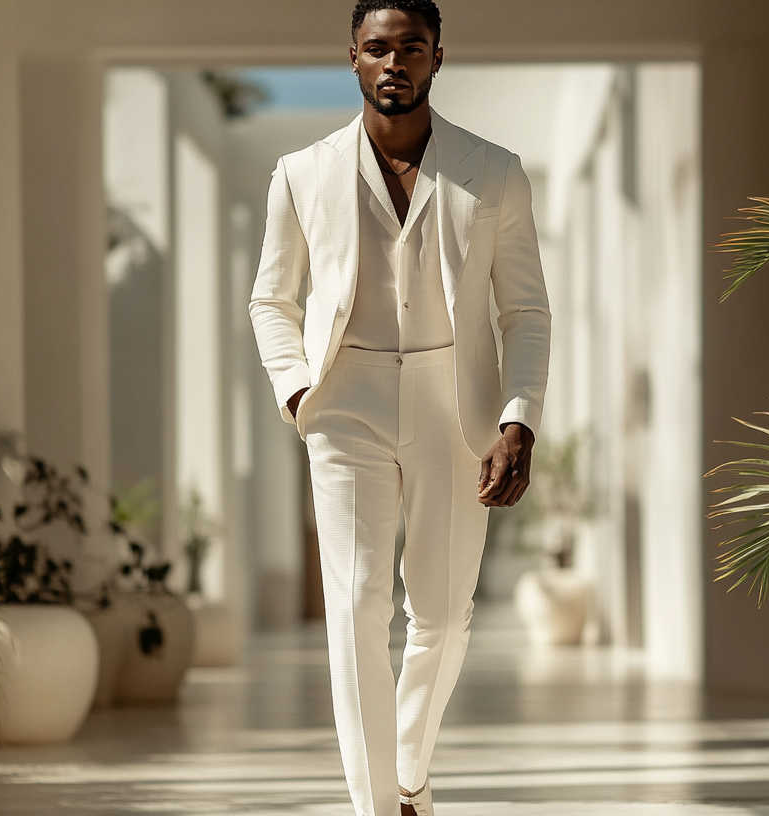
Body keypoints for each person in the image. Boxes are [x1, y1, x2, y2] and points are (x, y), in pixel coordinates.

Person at [249, 1, 550, 813]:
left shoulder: (494, 171)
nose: (394, 63)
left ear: (437, 57)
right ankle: (377, 807)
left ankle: (407, 768)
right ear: (352, 58)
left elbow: (524, 309)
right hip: (343, 400)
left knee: (446, 615)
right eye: (377, 48)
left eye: (410, 48)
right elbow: (269, 301)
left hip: (458, 400)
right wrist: (299, 389)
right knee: (353, 609)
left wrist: (518, 418)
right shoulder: (301, 174)